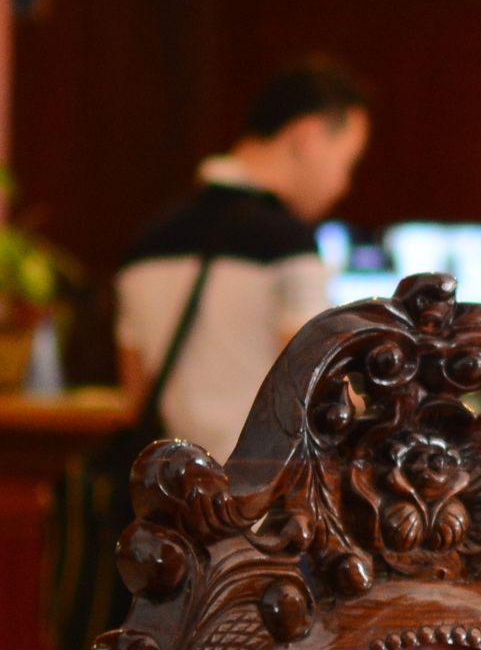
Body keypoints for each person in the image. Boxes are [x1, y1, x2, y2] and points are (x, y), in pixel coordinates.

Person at [111, 58, 373, 458]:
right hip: (261, 503)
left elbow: (136, 396)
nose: (344, 184)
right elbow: (322, 387)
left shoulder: (145, 246)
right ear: (309, 137)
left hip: (178, 499)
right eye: (347, 162)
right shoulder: (289, 246)